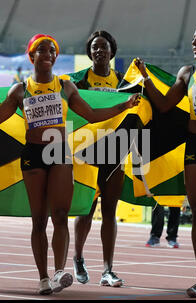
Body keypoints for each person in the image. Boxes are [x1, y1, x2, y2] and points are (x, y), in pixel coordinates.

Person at [0, 34, 140, 295]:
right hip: (33, 155)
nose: (48, 54)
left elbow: (93, 115)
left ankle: (60, 270)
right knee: (39, 221)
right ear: (31, 56)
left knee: (60, 215)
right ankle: (43, 278)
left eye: (52, 50)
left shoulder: (65, 87)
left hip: (59, 153)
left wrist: (125, 105)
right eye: (42, 50)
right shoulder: (19, 90)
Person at [135, 22, 196, 298]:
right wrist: (145, 79)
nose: (194, 43)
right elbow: (165, 105)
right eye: (193, 39)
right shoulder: (188, 72)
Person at [70, 30, 127, 287]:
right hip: (86, 152)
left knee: (110, 212)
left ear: (112, 52)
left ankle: (107, 270)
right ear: (90, 52)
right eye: (94, 47)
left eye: (103, 47)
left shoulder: (124, 82)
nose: (99, 51)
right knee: (86, 209)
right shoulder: (78, 81)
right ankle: (78, 257)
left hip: (115, 151)